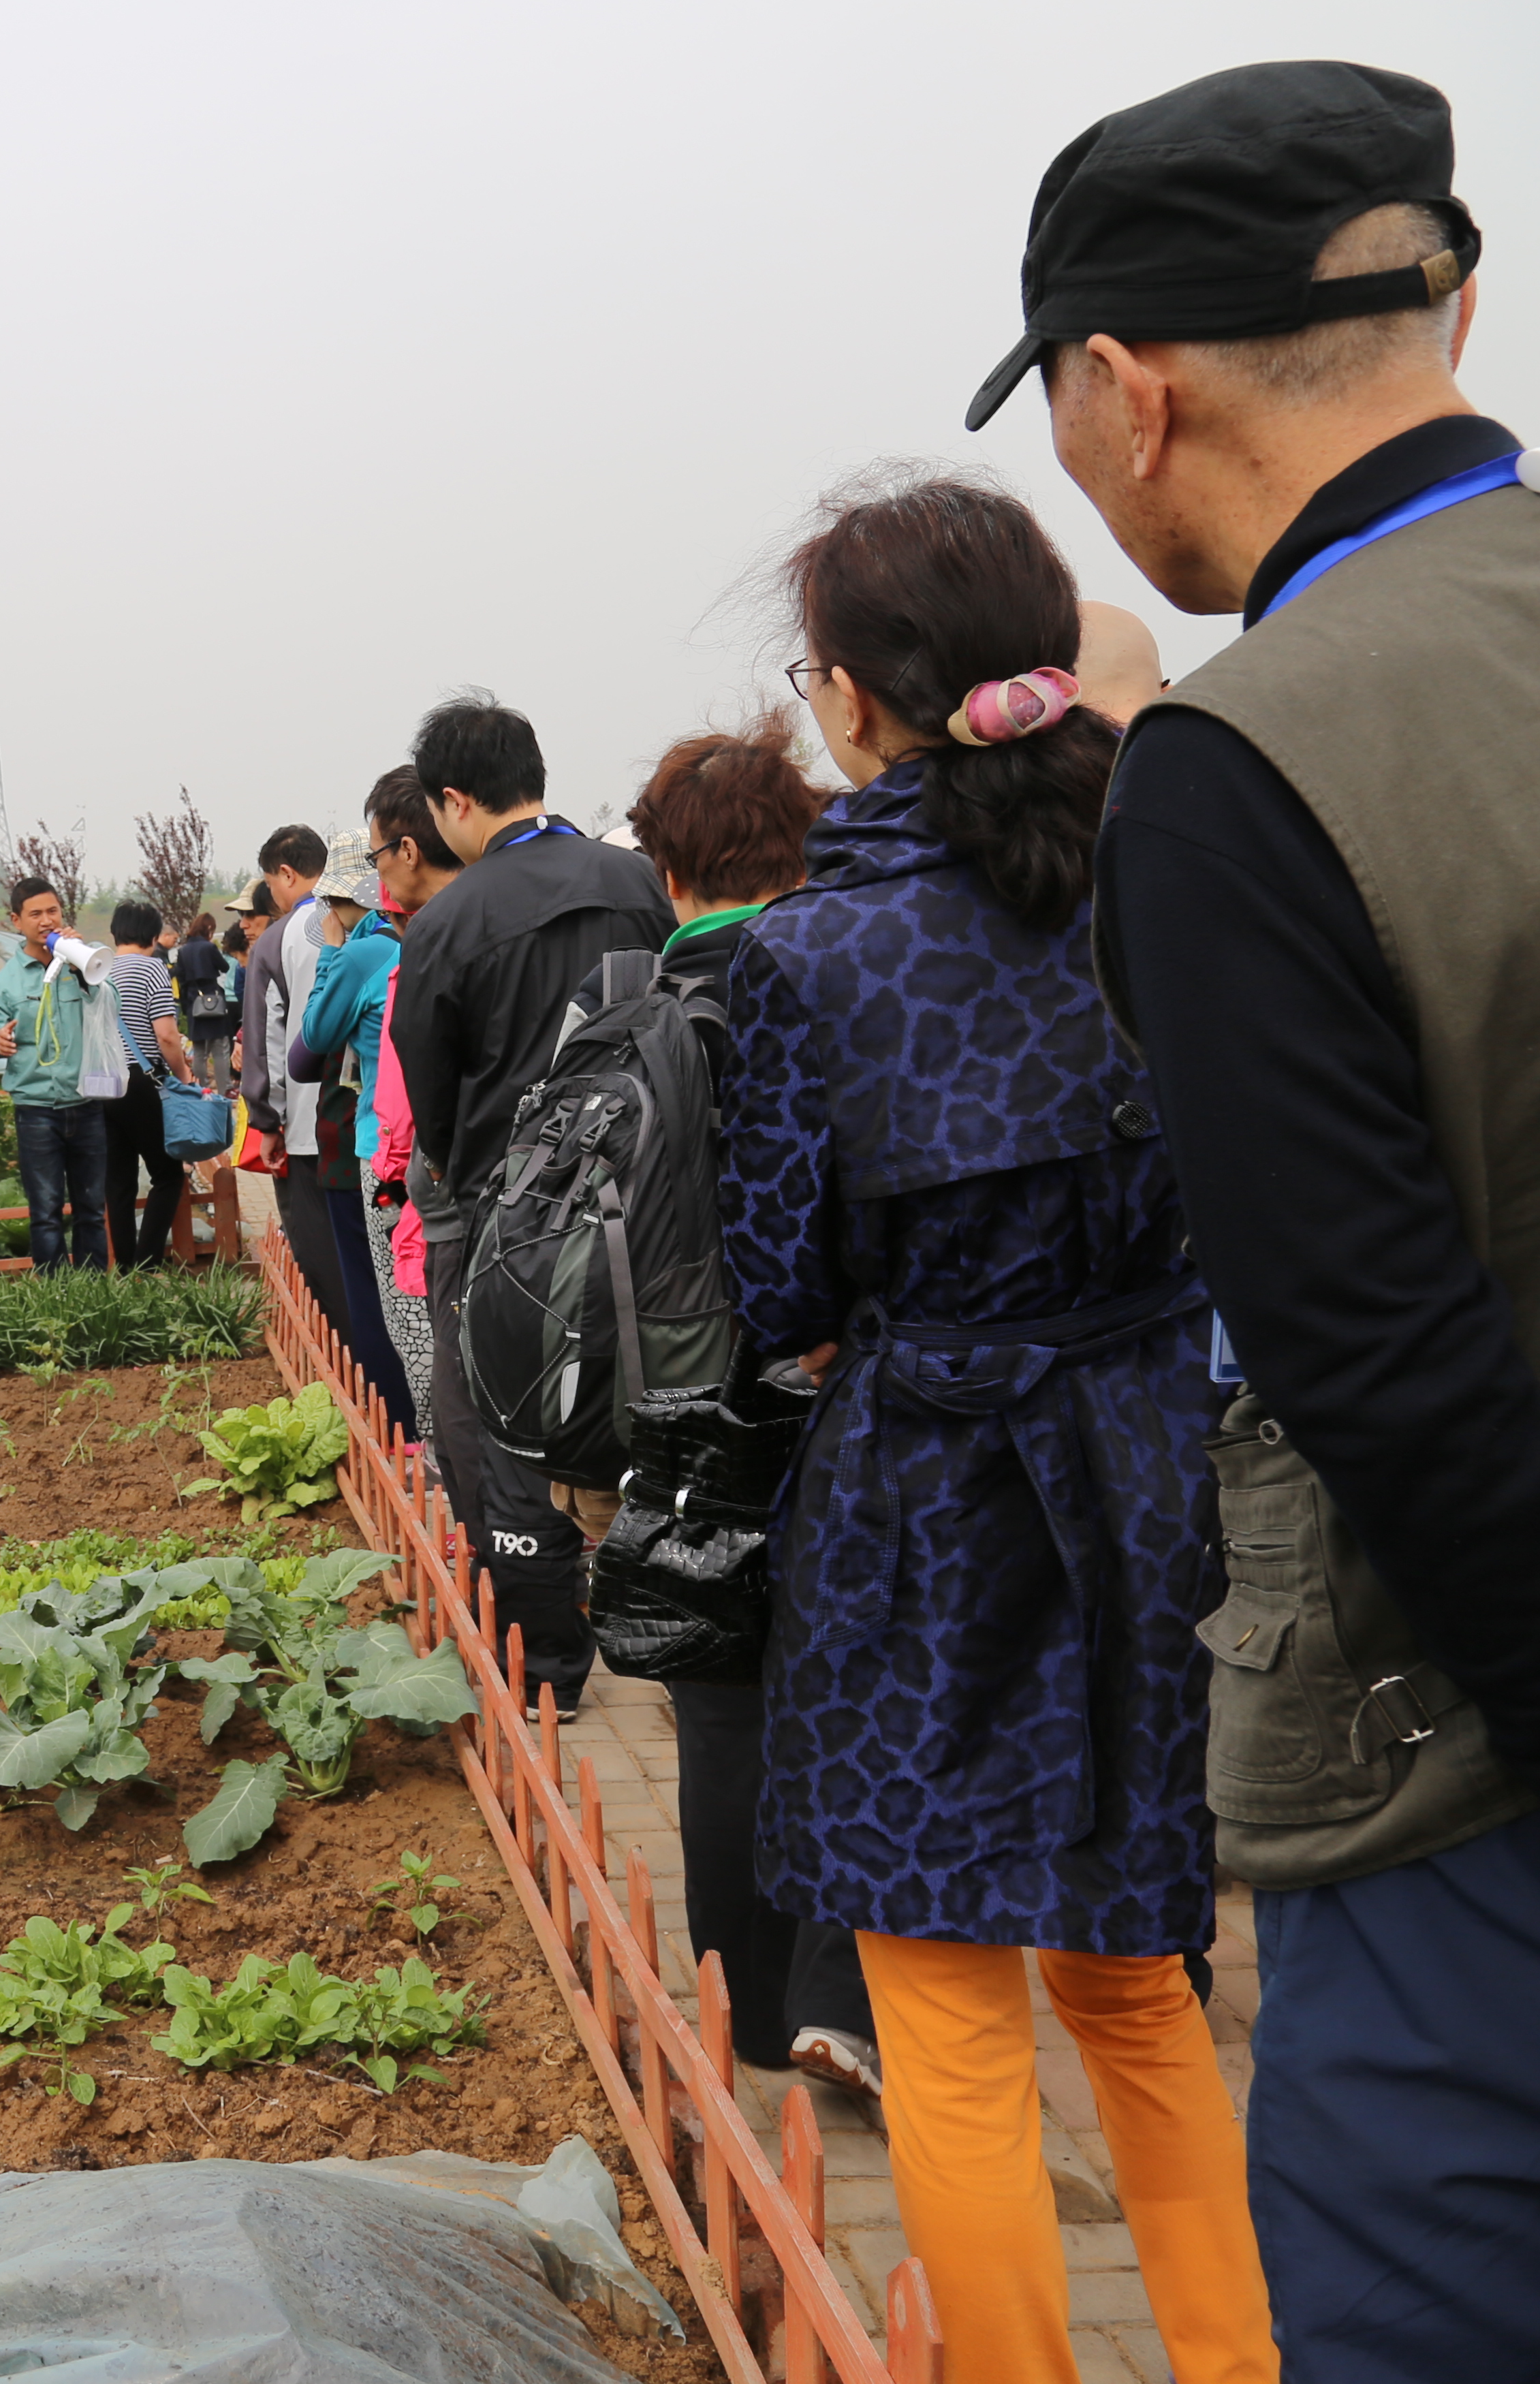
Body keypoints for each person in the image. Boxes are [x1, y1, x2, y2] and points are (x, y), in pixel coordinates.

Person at [1007, 59, 1540, 2377]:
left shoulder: (1247, 769)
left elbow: (1376, 1363)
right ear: (1449, 299)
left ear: (1123, 391)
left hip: (1485, 1811)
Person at [729, 469, 1269, 2384]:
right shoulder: (1164, 886)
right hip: (1145, 1470)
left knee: (949, 2025)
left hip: (933, 1501)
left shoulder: (807, 960)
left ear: (861, 700)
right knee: (1141, 1993)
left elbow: (780, 1292)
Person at [588, 717, 875, 2104]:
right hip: (824, 1386)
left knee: (720, 1706)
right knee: (842, 1685)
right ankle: (844, 1998)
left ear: (669, 864)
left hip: (678, 1405)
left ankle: (750, 2008)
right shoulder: (832, 976)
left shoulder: (628, 1008)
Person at [390, 695, 673, 1712]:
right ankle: (675, 1630)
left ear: (454, 802)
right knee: (655, 1399)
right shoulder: (637, 879)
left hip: (512, 1221)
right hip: (651, 1202)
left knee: (517, 1426)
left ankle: (551, 1668)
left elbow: (432, 1094)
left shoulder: (451, 920)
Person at [284, 864, 422, 1439]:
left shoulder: (362, 956)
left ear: (341, 905)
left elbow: (305, 1051)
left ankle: (402, 1430)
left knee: (382, 1296)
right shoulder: (426, 942)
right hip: (437, 1141)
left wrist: (333, 956)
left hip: (379, 1146)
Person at [360, 770, 462, 1437]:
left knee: (427, 1337)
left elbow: (401, 1099)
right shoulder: (505, 917)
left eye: (377, 855)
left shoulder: (415, 956)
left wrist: (396, 1184)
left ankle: (449, 1483)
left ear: (407, 851)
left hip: (432, 1183)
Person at [234, 830, 358, 1342]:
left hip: (309, 1133)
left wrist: (266, 1120)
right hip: (377, 1128)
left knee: (328, 1266)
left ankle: (354, 1371)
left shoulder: (278, 938)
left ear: (286, 874)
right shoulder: (373, 921)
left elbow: (267, 1040)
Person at [0, 875, 123, 1273]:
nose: (46, 920)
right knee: (46, 1212)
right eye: (35, 914)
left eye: (52, 911)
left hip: (86, 1104)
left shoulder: (82, 963)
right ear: (16, 921)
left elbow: (110, 1007)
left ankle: (94, 1292)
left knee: (92, 1208)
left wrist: (80, 959)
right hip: (36, 1110)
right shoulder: (7, 981)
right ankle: (54, 1299)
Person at [99, 898, 198, 1269]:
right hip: (141, 1081)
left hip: (104, 1083)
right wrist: (184, 1075)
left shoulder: (99, 972)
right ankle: (147, 1263)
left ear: (115, 933)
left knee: (119, 1182)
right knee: (169, 1176)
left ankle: (125, 1267)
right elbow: (168, 1036)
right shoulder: (153, 969)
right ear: (155, 936)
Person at [172, 907, 235, 1090]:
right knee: (220, 1049)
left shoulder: (183, 951)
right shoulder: (209, 947)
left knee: (199, 1051)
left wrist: (186, 1006)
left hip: (194, 1002)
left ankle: (201, 1089)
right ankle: (224, 1090)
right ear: (208, 929)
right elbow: (225, 967)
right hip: (213, 999)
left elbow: (181, 978)